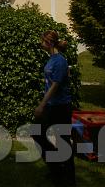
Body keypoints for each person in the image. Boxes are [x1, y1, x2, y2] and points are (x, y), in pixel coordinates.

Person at [32, 30, 75, 187]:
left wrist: (41, 105)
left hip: (61, 107)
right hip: (52, 106)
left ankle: (68, 179)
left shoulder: (60, 61)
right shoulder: (52, 58)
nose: (40, 43)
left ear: (49, 43)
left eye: (42, 41)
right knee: (37, 133)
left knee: (63, 141)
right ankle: (57, 168)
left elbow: (55, 86)